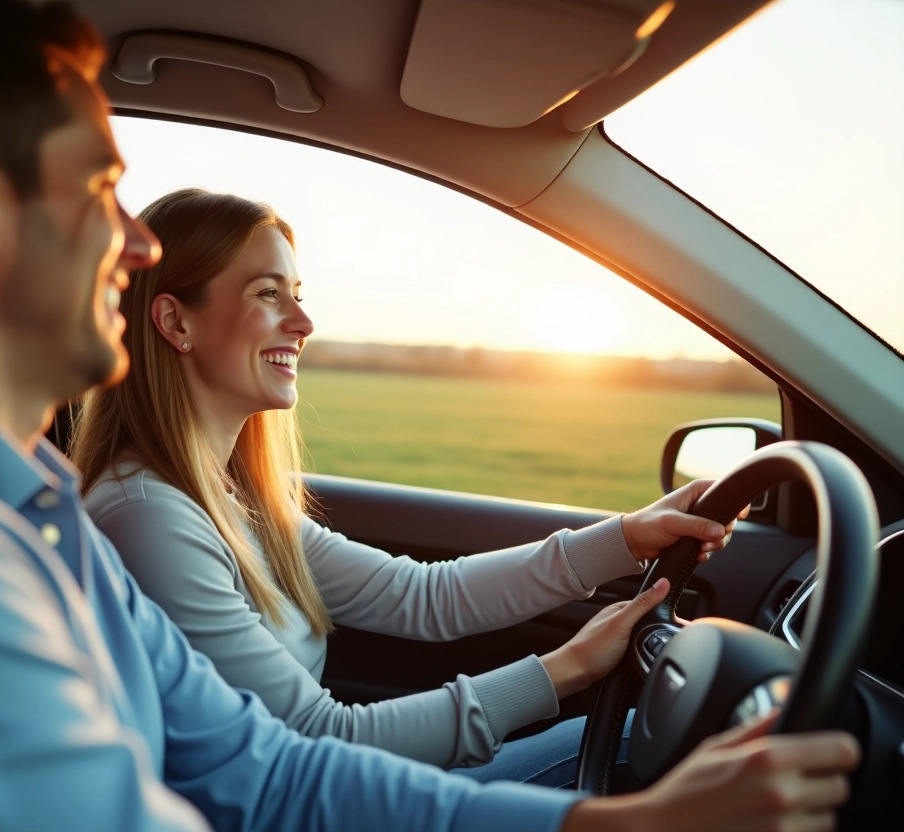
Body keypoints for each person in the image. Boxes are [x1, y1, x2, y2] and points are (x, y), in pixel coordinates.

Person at [0, 1, 858, 830]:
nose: (134, 244)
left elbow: (268, 772)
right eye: (102, 189)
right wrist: (560, 686)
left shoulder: (23, 504)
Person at [72, 188, 728, 785]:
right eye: (267, 294)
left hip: (327, 796)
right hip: (304, 803)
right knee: (647, 750)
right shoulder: (148, 518)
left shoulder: (226, 497)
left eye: (298, 293)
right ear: (175, 322)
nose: (302, 322)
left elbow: (420, 595)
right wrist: (568, 668)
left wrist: (628, 538)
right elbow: (315, 738)